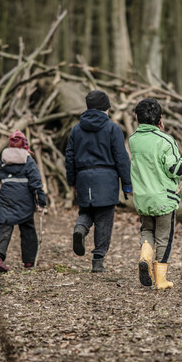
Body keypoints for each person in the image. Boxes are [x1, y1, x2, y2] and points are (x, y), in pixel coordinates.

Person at [129, 98, 182, 290]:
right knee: (164, 237)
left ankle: (145, 256)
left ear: (137, 118)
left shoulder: (133, 140)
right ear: (160, 120)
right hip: (164, 199)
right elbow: (175, 169)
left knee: (147, 230)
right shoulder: (166, 141)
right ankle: (161, 279)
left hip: (143, 199)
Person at [65, 90, 132, 273]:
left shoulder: (76, 129)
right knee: (104, 218)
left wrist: (72, 181)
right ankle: (98, 260)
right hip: (107, 180)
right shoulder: (113, 128)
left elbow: (69, 157)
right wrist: (127, 184)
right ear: (106, 108)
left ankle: (80, 228)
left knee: (86, 211)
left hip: (83, 178)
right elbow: (121, 158)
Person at [0, 130, 47, 272]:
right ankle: (30, 260)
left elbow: (2, 178)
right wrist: (42, 201)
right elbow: (36, 182)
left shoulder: (3, 160)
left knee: (5, 224)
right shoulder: (28, 159)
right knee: (27, 226)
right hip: (24, 197)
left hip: (6, 195)